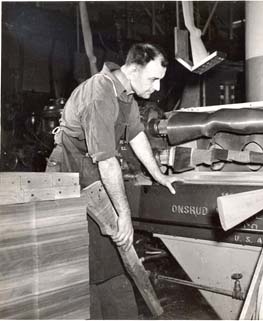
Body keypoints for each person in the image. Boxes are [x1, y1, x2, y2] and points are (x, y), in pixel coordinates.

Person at [46, 43, 178, 319]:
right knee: (82, 255)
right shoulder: (101, 93)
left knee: (112, 251)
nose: (156, 88)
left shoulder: (126, 94)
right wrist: (124, 214)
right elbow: (106, 161)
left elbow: (136, 135)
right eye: (153, 79)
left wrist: (158, 174)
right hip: (68, 170)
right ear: (131, 69)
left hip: (90, 167)